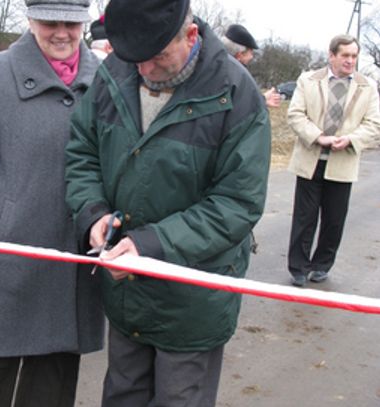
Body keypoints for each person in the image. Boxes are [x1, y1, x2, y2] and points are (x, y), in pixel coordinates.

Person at [65, 0, 271, 405]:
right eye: (133, 58)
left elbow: (237, 203)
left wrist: (151, 245)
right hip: (126, 297)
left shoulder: (237, 96)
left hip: (192, 302)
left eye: (157, 56)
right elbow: (82, 152)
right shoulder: (115, 72)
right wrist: (92, 213)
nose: (143, 70)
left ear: (190, 36)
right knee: (122, 395)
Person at [0, 1, 104, 406]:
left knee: (53, 373)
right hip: (5, 254)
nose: (62, 33)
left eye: (72, 23)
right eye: (50, 22)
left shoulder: (104, 78)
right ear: (29, 20)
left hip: (73, 253)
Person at [286, 34, 380, 287]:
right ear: (332, 55)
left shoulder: (367, 86)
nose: (350, 61)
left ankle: (321, 265)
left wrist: (350, 139)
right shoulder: (308, 80)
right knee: (304, 218)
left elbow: (373, 124)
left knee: (334, 219)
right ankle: (298, 267)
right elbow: (295, 115)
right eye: (345, 55)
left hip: (343, 163)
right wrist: (318, 137)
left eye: (354, 56)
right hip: (310, 159)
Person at [222, 23, 282, 108]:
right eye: (250, 53)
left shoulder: (219, 69)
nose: (251, 57)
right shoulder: (233, 77)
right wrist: (262, 100)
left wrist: (263, 100)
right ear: (239, 55)